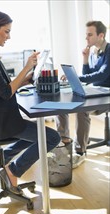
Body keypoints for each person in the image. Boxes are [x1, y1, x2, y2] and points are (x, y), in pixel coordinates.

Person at [0, 10, 61, 195]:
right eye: (6, 31)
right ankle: (13, 171)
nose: (9, 36)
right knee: (52, 137)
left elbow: (3, 87)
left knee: (37, 134)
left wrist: (25, 79)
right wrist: (26, 67)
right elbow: (6, 92)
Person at [56, 21, 110, 169]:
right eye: (86, 34)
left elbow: (102, 75)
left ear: (101, 35)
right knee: (62, 106)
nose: (86, 38)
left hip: (107, 94)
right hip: (96, 91)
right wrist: (85, 59)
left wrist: (78, 78)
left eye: (90, 34)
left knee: (82, 109)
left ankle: (80, 152)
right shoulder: (93, 52)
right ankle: (63, 144)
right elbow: (88, 76)